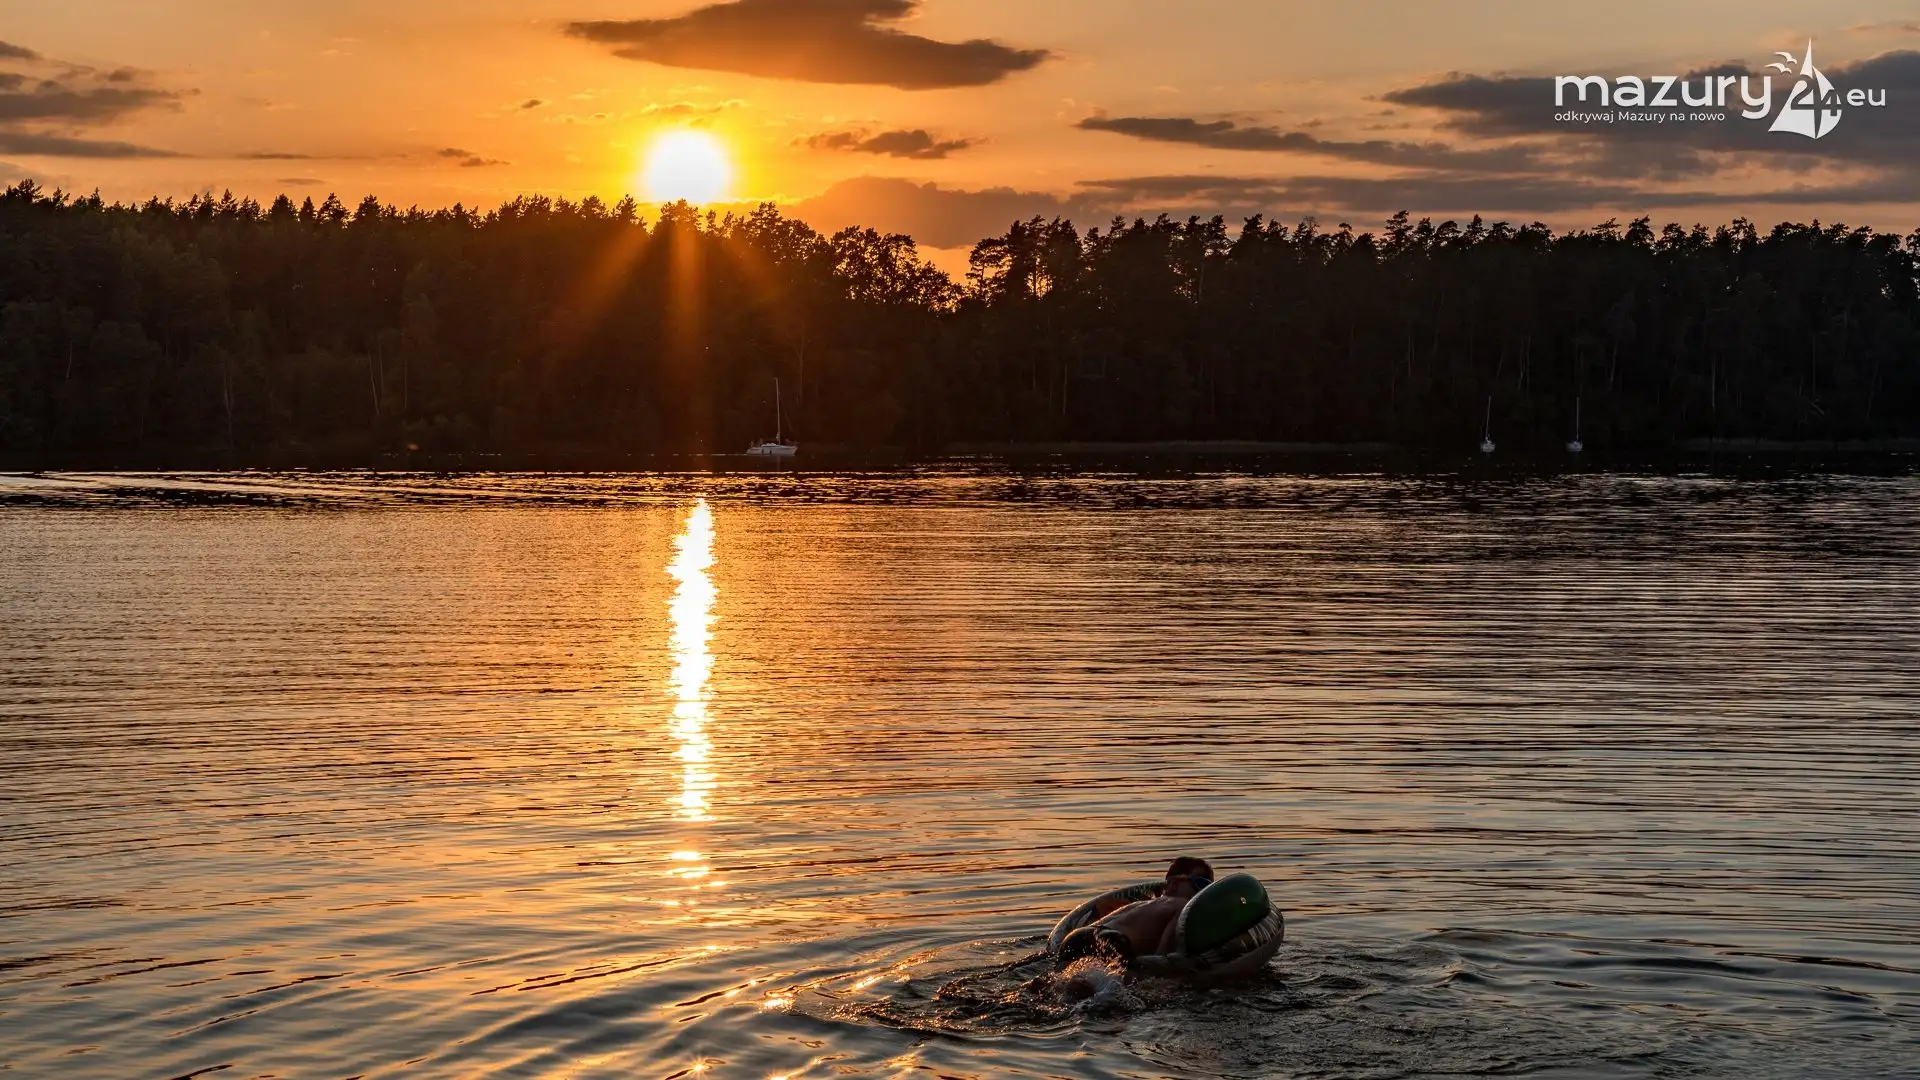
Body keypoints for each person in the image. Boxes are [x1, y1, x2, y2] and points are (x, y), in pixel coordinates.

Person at [1055, 857, 1213, 968]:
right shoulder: (1181, 905)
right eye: (1201, 884)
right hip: (1112, 942)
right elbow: (1163, 955)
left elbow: (1096, 926)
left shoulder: (1141, 904)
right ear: (1173, 884)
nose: (1203, 893)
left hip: (1077, 938)